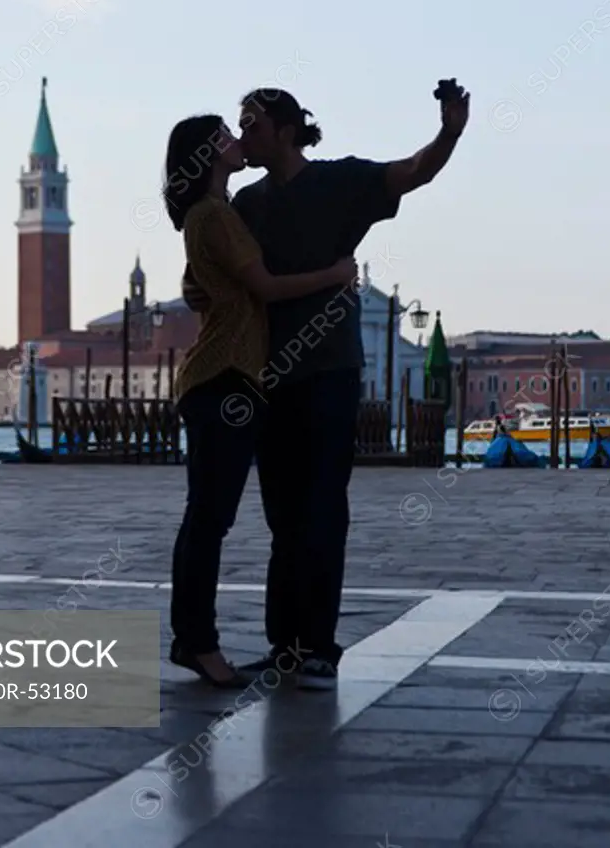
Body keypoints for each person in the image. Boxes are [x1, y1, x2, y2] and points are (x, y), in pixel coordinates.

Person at [182, 83, 470, 690]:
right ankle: (284, 648)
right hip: (266, 380)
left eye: (252, 124)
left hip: (330, 372)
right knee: (282, 515)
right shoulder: (244, 205)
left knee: (322, 510)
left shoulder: (342, 182)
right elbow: (198, 281)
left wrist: (449, 131)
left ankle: (316, 648)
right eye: (238, 126)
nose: (242, 135)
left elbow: (413, 172)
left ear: (286, 130)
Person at [164, 114, 358, 688]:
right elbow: (267, 287)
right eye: (225, 133)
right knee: (210, 519)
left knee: (210, 516)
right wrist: (336, 273)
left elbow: (198, 284)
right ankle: (197, 643)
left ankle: (197, 641)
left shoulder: (217, 214)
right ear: (206, 154)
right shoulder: (217, 215)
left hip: (232, 377)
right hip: (224, 378)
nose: (236, 138)